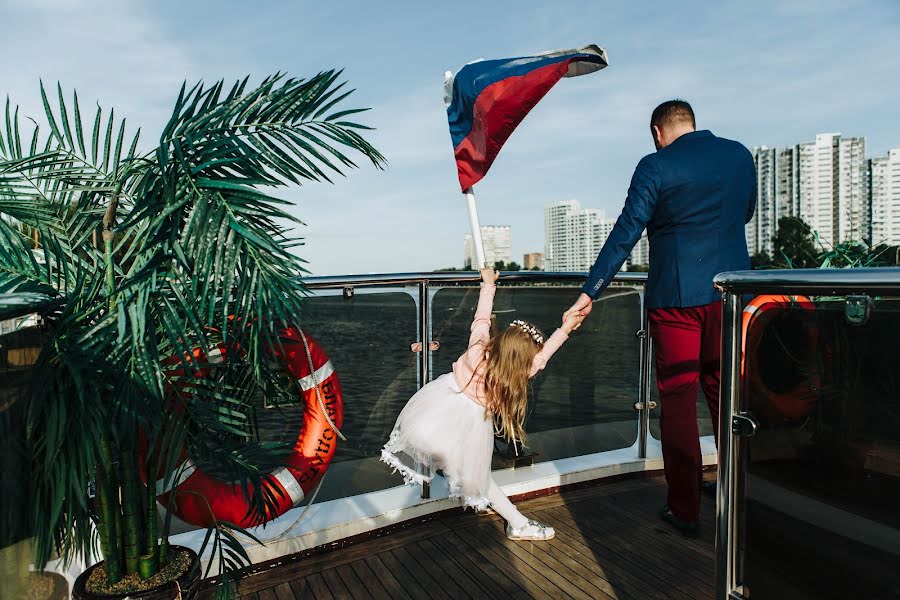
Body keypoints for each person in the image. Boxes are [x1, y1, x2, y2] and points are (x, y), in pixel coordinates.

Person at [563, 99, 756, 536]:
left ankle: (684, 508)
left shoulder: (655, 165)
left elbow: (628, 230)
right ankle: (734, 489)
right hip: (732, 295)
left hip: (677, 299)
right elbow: (745, 212)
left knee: (678, 400)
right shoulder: (739, 154)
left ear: (657, 131)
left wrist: (590, 290)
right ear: (693, 123)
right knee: (725, 395)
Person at [382, 267, 584, 540]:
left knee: (459, 464)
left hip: (438, 406)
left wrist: (488, 284)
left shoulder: (477, 348)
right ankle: (518, 524)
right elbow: (544, 356)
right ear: (525, 359)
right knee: (478, 477)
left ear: (502, 340)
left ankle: (515, 520)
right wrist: (567, 328)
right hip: (470, 424)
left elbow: (481, 318)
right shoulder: (519, 374)